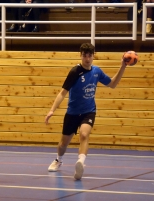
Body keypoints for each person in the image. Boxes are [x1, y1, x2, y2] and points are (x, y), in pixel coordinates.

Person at [45, 43, 128, 180]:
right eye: (85, 56)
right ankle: (58, 160)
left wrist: (123, 66)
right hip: (72, 112)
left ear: (93, 56)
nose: (87, 59)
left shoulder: (97, 71)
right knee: (62, 144)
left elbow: (112, 84)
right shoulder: (75, 72)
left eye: (90, 56)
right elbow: (62, 93)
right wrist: (52, 110)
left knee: (84, 134)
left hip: (88, 111)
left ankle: (80, 163)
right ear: (81, 56)